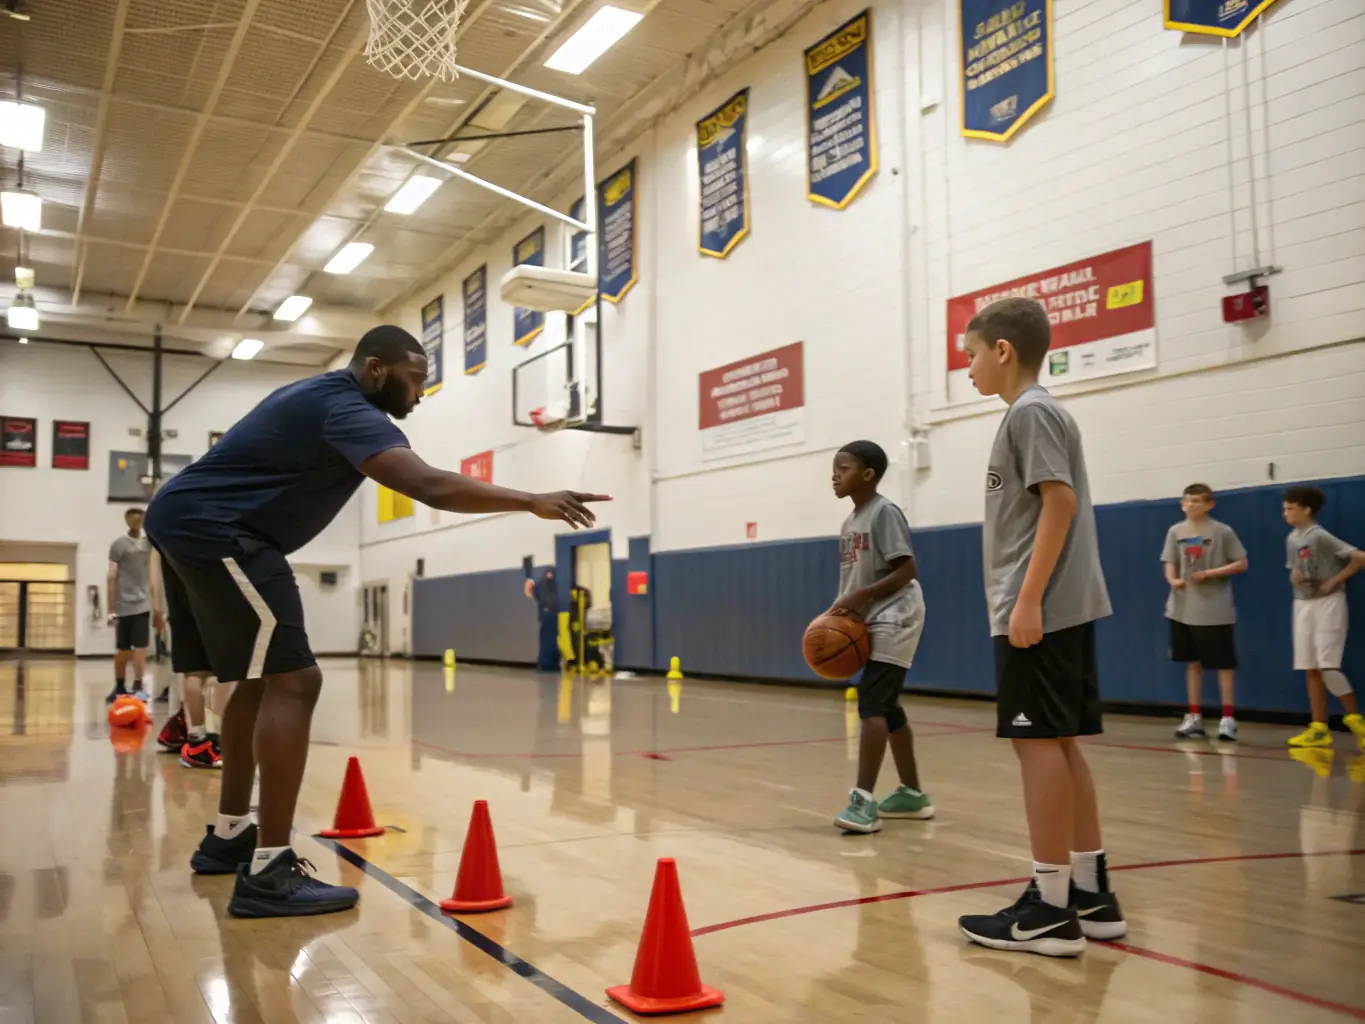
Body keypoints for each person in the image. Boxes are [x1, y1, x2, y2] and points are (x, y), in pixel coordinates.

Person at [144, 325, 609, 919]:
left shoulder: (319, 399)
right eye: (415, 379)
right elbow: (429, 485)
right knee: (296, 681)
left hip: (190, 522)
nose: (421, 394)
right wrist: (530, 500)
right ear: (376, 370)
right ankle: (268, 873)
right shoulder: (346, 407)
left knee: (259, 681)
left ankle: (232, 836)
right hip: (220, 531)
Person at [955, 297, 1125, 957]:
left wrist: (1026, 600)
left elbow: (1059, 501)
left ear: (1003, 351)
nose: (966, 368)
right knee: (1062, 743)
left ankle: (1048, 907)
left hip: (1040, 610)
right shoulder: (1037, 415)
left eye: (971, 354)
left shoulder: (1029, 413)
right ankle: (1089, 892)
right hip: (1061, 606)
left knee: (1037, 747)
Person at [827, 440, 933, 833]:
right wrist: (838, 612)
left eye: (843, 468)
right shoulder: (849, 522)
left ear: (867, 474)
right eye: (834, 468)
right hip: (870, 616)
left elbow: (907, 570)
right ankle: (912, 794)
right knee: (887, 707)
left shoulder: (884, 512)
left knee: (872, 704)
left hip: (896, 614)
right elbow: (853, 582)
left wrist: (863, 597)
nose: (834, 475)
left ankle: (863, 802)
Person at [1281, 485, 1365, 751]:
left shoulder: (1320, 536)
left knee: (1328, 665)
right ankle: (1319, 728)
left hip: (1328, 604)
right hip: (1303, 604)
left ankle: (1356, 720)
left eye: (1290, 508)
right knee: (1311, 667)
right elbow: (1298, 567)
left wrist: (1335, 580)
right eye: (1284, 508)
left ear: (1307, 509)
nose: (1285, 513)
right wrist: (1296, 574)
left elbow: (1359, 558)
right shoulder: (1292, 538)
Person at [1163, 483, 1248, 741]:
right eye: (1187, 501)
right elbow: (1170, 561)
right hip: (1182, 608)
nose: (1190, 505)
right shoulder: (1176, 531)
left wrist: (1210, 573)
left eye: (1197, 501)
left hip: (1214, 609)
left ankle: (1228, 718)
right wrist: (1172, 580)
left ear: (1209, 504)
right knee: (1193, 663)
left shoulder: (1222, 531)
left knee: (1223, 664)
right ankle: (1194, 717)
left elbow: (1241, 563)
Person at [107, 507, 155, 703]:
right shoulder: (142, 545)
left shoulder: (139, 543)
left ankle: (124, 686)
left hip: (133, 604)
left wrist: (110, 609)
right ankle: (133, 686)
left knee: (128, 647)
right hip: (134, 603)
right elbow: (112, 576)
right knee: (135, 647)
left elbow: (111, 576)